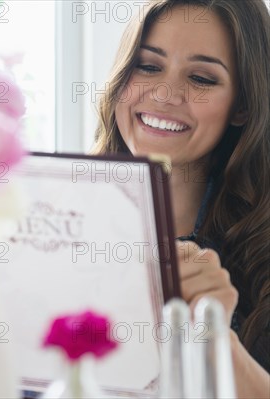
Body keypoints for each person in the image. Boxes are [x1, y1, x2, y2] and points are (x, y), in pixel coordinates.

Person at [92, 0, 269, 397]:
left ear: (242, 105)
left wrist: (215, 337)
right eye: (149, 66)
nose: (166, 94)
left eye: (202, 78)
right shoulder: (57, 217)